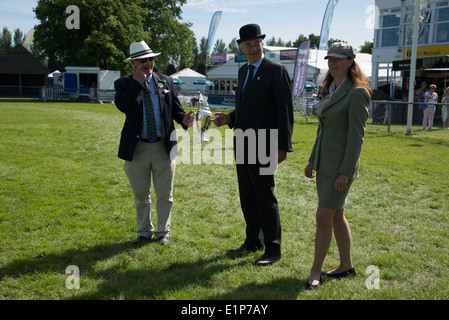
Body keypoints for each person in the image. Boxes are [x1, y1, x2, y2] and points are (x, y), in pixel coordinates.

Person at [213, 24, 293, 266]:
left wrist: (282, 146)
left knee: (265, 196)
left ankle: (273, 249)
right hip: (243, 143)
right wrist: (230, 118)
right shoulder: (243, 71)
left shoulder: (276, 70)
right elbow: (246, 107)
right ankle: (253, 241)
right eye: (247, 44)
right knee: (247, 195)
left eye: (256, 43)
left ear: (262, 44)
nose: (252, 48)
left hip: (266, 144)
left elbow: (285, 111)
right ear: (241, 48)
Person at [304, 42, 372, 289]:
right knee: (336, 215)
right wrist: (313, 160)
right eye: (330, 58)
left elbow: (356, 138)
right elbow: (323, 131)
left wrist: (345, 171)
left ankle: (315, 271)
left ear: (350, 62)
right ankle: (346, 265)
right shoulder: (331, 88)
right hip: (324, 164)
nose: (333, 63)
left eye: (339, 59)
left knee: (324, 215)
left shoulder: (357, 92)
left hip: (340, 168)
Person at [114, 41, 194, 246]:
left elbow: (176, 109)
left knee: (165, 195)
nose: (148, 63)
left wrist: (184, 119)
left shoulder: (165, 81)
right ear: (133, 63)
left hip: (163, 146)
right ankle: (144, 231)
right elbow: (123, 106)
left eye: (150, 59)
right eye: (142, 60)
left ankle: (162, 231)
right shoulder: (123, 84)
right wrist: (137, 84)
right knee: (141, 195)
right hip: (137, 148)